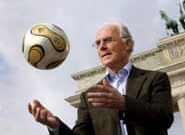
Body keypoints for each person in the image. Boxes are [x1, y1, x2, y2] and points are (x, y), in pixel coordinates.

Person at [28, 23, 174, 135]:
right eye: (98, 43)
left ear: (127, 44)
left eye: (108, 40)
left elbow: (164, 118)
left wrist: (124, 104)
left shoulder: (155, 79)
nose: (102, 47)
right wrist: (54, 125)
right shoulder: (89, 97)